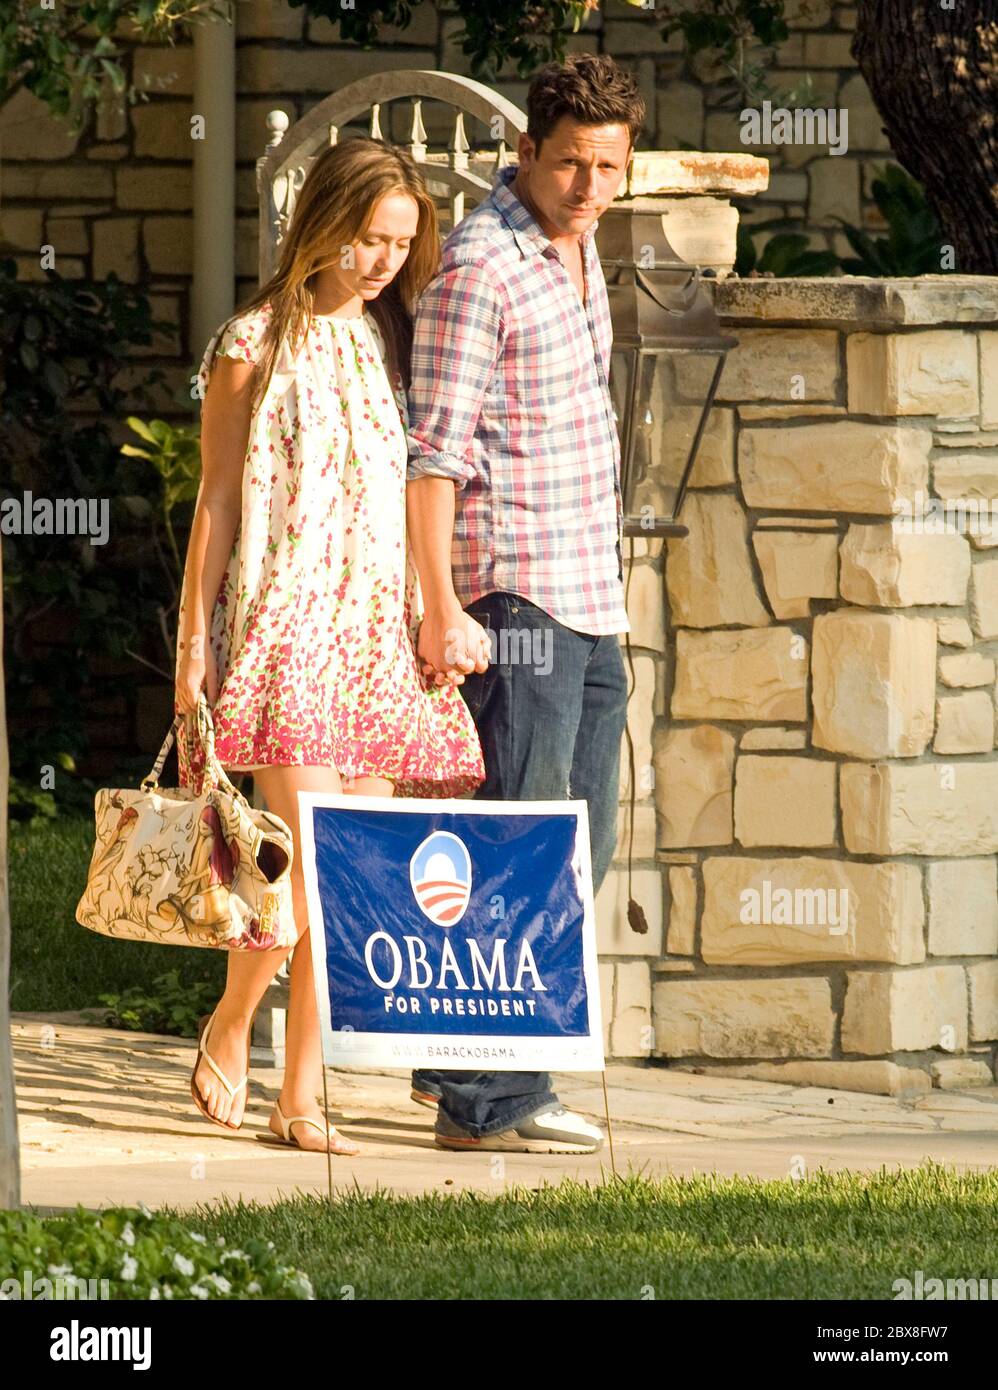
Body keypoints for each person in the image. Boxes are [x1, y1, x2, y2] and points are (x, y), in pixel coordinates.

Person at [174, 137, 484, 1154]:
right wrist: (192, 645)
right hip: (281, 625)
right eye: (368, 239)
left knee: (344, 873)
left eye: (401, 241)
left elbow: (402, 492)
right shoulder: (250, 342)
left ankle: (279, 1068)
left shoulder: (386, 348)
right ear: (322, 227)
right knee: (304, 868)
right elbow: (216, 503)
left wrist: (428, 615)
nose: (386, 259)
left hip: (367, 636)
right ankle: (275, 1071)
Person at [406, 54, 646, 1154]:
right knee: (518, 838)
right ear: (524, 154)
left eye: (606, 166)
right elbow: (434, 454)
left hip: (587, 586)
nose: (587, 186)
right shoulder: (478, 267)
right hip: (513, 592)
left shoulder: (577, 248)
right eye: (567, 165)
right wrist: (442, 607)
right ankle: (488, 1099)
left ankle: (458, 1056)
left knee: (578, 842)